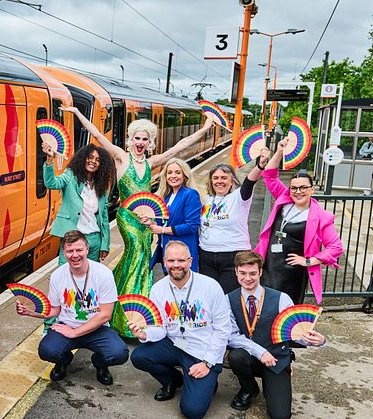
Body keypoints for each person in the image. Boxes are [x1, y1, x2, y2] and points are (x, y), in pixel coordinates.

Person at [61, 105, 215, 337]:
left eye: (144, 139)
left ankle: (132, 310)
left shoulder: (152, 162)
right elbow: (97, 134)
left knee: (143, 261)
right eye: (136, 138)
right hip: (127, 218)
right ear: (130, 140)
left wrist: (205, 128)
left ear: (150, 141)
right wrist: (76, 111)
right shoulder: (121, 158)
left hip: (147, 220)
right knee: (138, 254)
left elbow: (181, 146)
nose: (140, 142)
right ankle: (124, 314)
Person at [128, 241, 230, 419]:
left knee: (192, 411)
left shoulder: (210, 286)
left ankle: (208, 380)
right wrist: (144, 334)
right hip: (175, 343)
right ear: (165, 262)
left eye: (181, 260)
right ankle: (173, 380)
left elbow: (223, 330)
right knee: (139, 356)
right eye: (171, 260)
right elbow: (159, 328)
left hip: (202, 350)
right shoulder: (158, 289)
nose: (176, 265)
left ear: (190, 261)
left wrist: (207, 363)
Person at [16, 230, 129, 385]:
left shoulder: (103, 274)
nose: (75, 255)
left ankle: (100, 363)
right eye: (70, 251)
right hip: (67, 326)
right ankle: (64, 360)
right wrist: (31, 312)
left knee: (119, 353)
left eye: (79, 250)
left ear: (87, 250)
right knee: (46, 350)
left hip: (97, 327)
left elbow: (105, 315)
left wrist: (75, 333)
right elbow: (54, 310)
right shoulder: (57, 275)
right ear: (64, 252)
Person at [227, 251, 326, 417]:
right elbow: (231, 335)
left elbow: (294, 332)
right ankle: (249, 388)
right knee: (235, 357)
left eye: (252, 273)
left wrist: (317, 341)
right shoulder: (227, 299)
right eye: (242, 273)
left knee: (280, 415)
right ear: (236, 272)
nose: (247, 278)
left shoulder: (281, 298)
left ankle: (272, 384)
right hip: (249, 357)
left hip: (275, 359)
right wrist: (260, 352)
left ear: (260, 272)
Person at [255, 138, 343, 305]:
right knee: (265, 308)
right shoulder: (284, 199)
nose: (298, 192)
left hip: (292, 273)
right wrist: (280, 151)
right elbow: (270, 175)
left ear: (312, 189)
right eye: (294, 188)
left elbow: (336, 247)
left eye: (303, 187)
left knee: (288, 312)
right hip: (268, 266)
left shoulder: (321, 217)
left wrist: (308, 261)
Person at [198, 150, 269, 294]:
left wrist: (260, 165)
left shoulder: (239, 197)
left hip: (233, 256)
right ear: (211, 181)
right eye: (216, 178)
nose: (219, 181)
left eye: (224, 178)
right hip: (206, 257)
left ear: (232, 181)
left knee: (230, 297)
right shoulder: (205, 200)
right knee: (210, 296)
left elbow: (250, 182)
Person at [42, 143, 114, 264]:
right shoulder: (70, 175)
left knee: (89, 278)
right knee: (66, 277)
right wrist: (50, 160)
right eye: (90, 157)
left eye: (98, 160)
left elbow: (104, 218)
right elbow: (51, 183)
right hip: (72, 238)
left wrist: (105, 244)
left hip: (94, 241)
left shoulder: (101, 186)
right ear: (83, 158)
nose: (93, 162)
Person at [146, 158, 202, 273]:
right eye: (169, 172)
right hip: (167, 252)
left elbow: (192, 226)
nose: (173, 176)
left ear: (184, 175)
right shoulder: (167, 196)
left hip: (182, 254)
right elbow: (166, 222)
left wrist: (162, 230)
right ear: (165, 176)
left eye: (178, 172)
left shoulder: (190, 194)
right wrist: (151, 223)